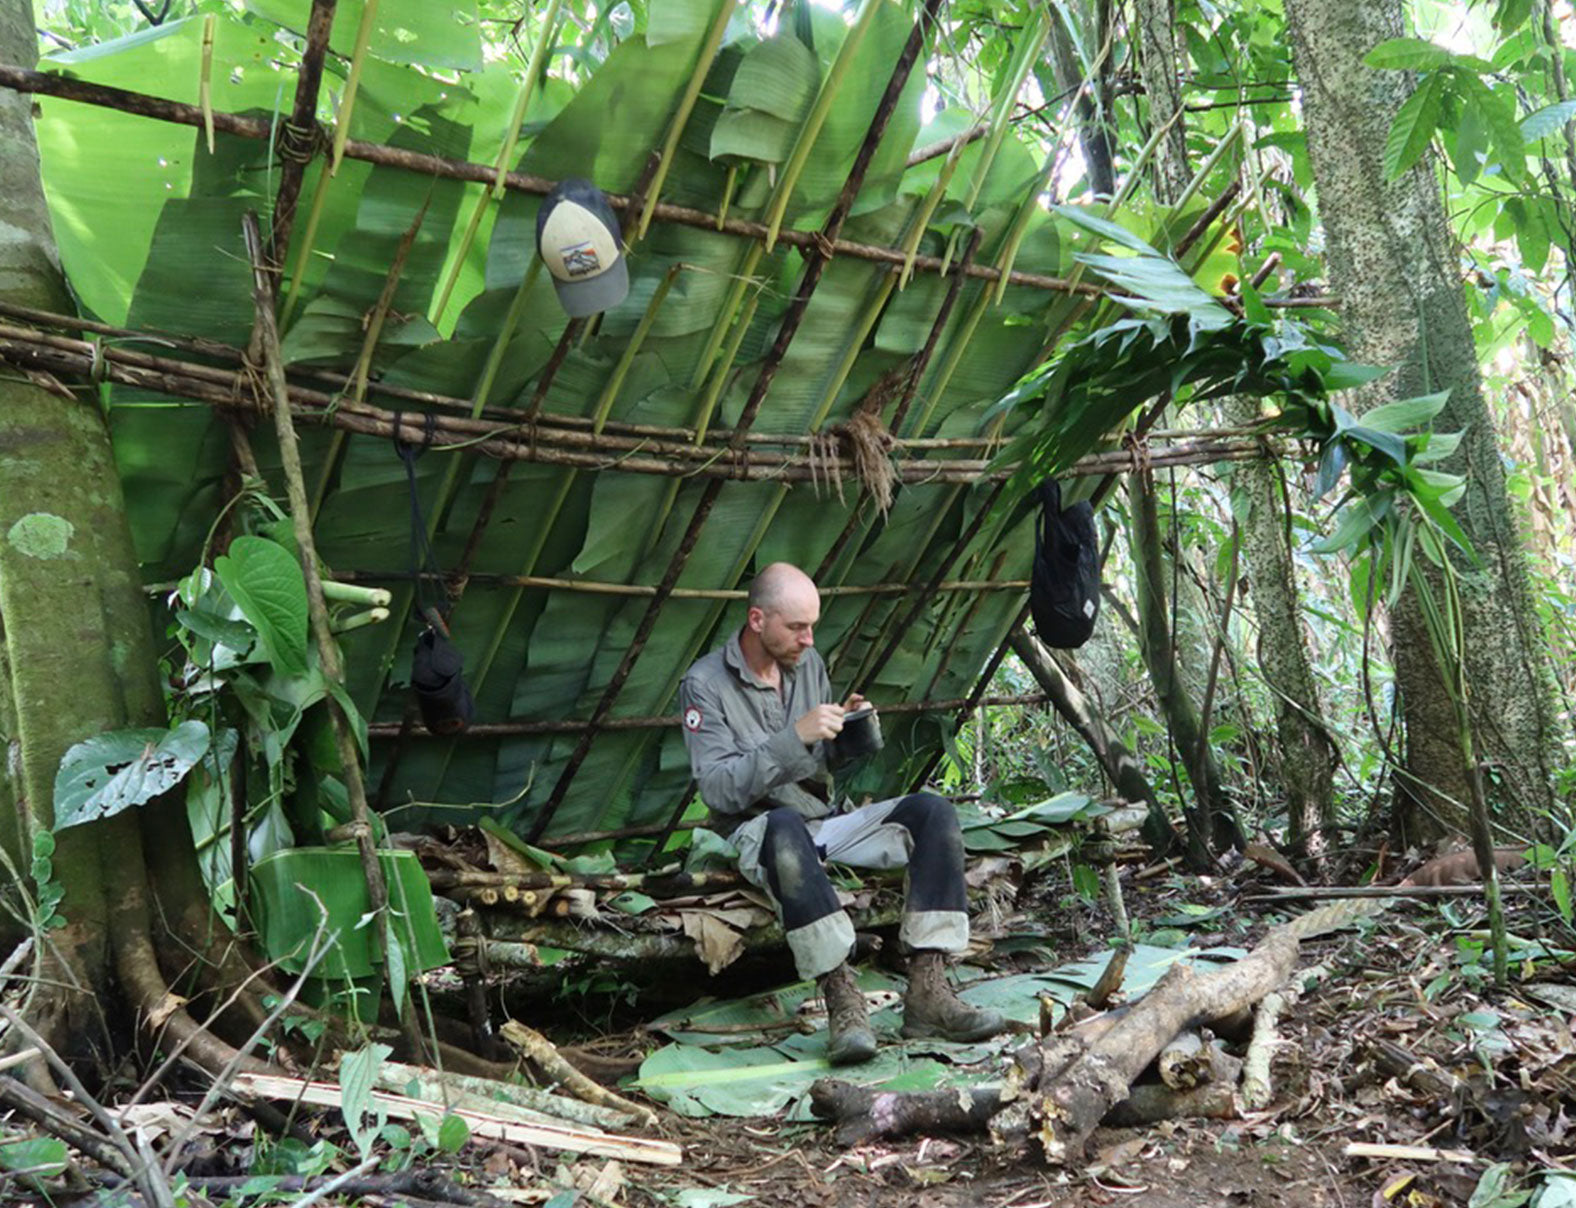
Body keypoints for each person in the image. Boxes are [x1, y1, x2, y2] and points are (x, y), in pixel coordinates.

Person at [678, 563, 1006, 1065]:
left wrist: (847, 732)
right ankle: (843, 1000)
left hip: (820, 820)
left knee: (933, 812)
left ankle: (929, 993)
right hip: (756, 830)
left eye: (813, 626)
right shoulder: (703, 684)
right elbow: (719, 790)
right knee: (784, 827)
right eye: (796, 628)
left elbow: (817, 759)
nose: (808, 640)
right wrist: (797, 736)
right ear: (758, 619)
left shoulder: (807, 665)